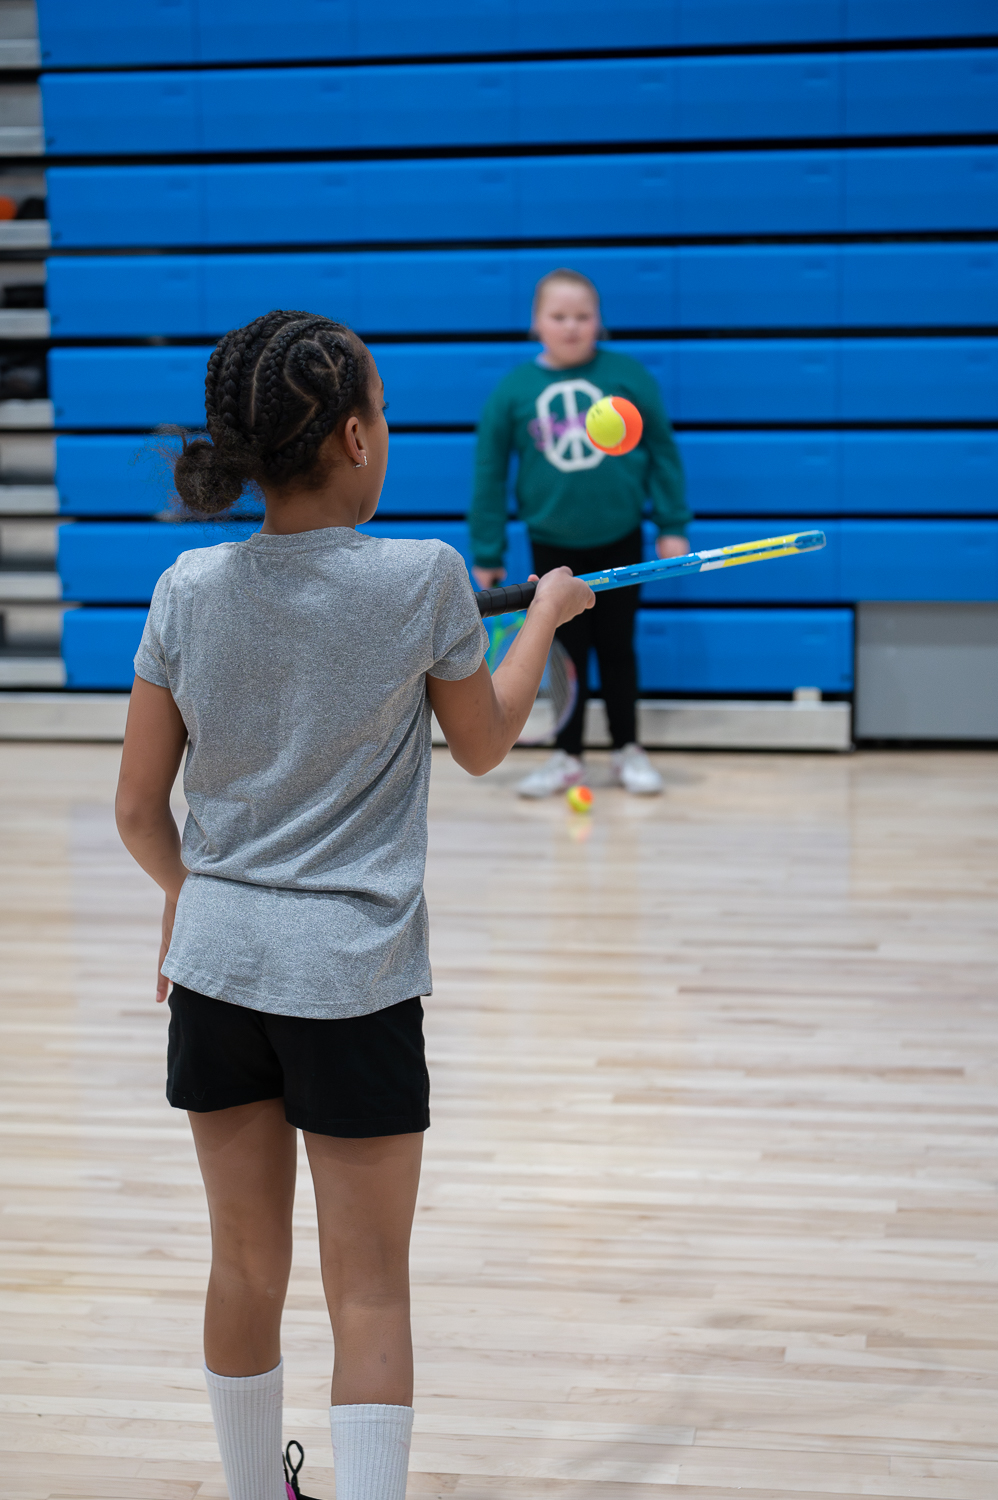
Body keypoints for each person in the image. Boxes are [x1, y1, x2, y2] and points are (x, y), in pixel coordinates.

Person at [114, 310, 593, 1500]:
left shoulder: (186, 585)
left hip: (218, 974)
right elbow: (482, 744)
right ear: (352, 438)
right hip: (354, 977)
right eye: (380, 411)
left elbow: (135, 811)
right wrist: (539, 617)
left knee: (242, 1266)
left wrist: (192, 896)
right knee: (369, 1285)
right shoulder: (421, 577)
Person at [469, 268, 691, 797]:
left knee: (618, 648)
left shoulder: (628, 377)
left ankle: (626, 749)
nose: (571, 327)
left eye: (583, 316)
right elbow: (489, 473)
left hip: (620, 540)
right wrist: (487, 548)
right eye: (558, 316)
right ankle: (567, 757)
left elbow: (663, 452)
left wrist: (672, 524)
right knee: (563, 656)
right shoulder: (513, 391)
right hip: (552, 549)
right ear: (535, 324)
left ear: (600, 321)